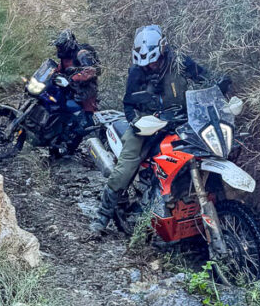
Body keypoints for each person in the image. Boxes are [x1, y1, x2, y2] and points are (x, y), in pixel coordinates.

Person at [89, 24, 230, 237]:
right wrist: (136, 122)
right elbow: (128, 104)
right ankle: (102, 217)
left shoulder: (180, 62)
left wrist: (219, 84)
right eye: (146, 64)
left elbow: (204, 78)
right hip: (151, 124)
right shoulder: (137, 71)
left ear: (162, 51)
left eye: (153, 62)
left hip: (184, 119)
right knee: (127, 164)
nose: (150, 66)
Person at [52, 29, 101, 136]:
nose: (59, 49)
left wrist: (75, 78)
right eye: (58, 47)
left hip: (85, 88)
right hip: (70, 87)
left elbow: (92, 71)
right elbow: (61, 68)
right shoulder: (65, 56)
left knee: (87, 120)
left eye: (61, 46)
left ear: (68, 44)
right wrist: (52, 73)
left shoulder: (82, 53)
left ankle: (88, 130)